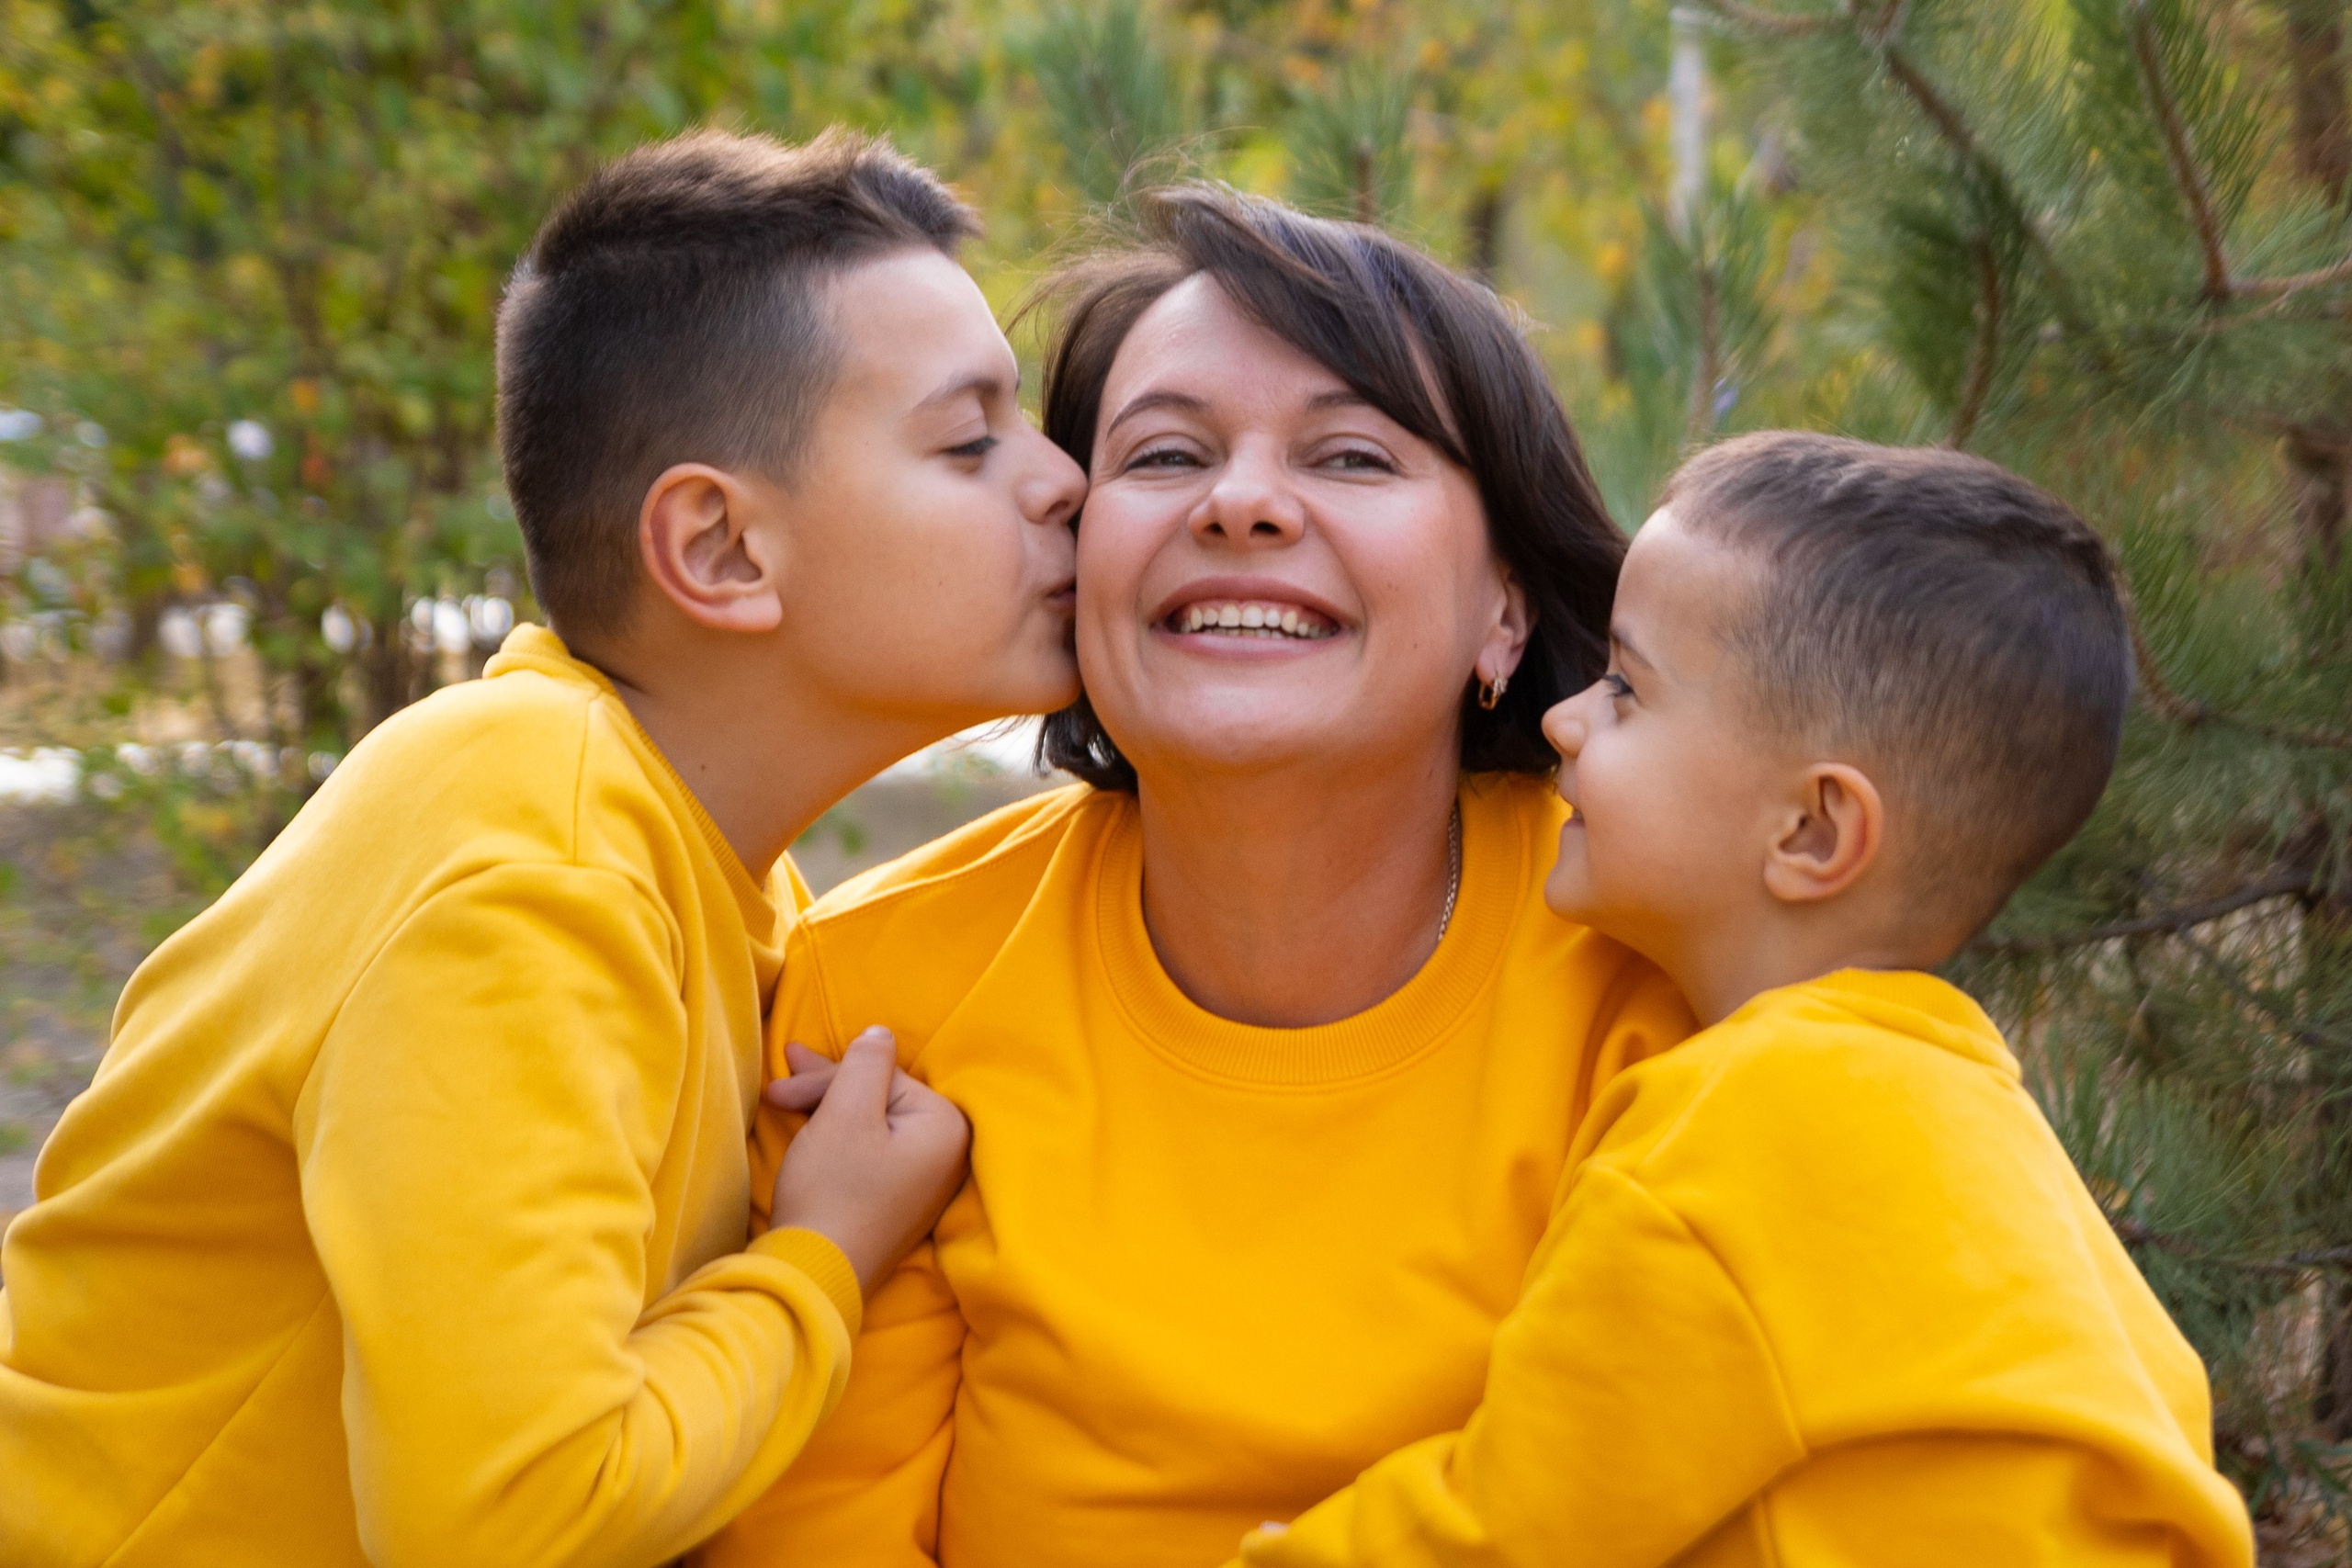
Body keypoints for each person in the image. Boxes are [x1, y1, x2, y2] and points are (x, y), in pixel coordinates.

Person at [0, 128, 1088, 1568]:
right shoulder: (529, 850)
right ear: (717, 548)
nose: (1064, 479)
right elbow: (507, 1517)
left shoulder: (702, 868)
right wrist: (822, 1254)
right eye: (970, 440)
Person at [695, 187, 1696, 1568]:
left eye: (1351, 456)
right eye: (1164, 455)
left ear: (1504, 607)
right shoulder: (880, 995)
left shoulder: (1667, 976)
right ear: (1074, 554)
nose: (1242, 504)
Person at [1232, 434, 2256, 1566]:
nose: (1566, 720)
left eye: (1626, 690)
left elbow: (1509, 1530)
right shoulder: (1983, 1131)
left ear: (1812, 831)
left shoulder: (1744, 1122)